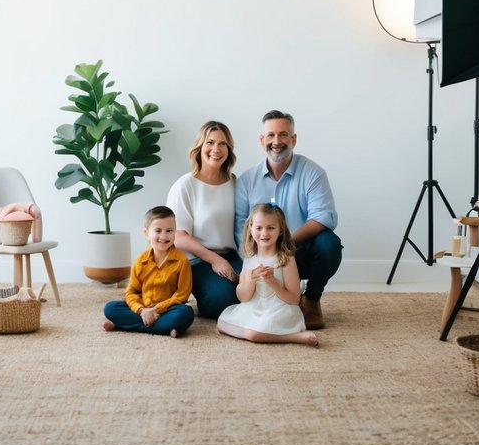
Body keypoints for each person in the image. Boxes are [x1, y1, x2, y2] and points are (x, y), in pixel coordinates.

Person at [235, 110, 341, 330]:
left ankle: (311, 298)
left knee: (329, 243)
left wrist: (286, 242)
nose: (277, 142)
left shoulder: (313, 173)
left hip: (297, 251)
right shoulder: (246, 180)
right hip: (259, 255)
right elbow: (240, 226)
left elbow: (323, 217)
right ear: (262, 140)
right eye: (271, 135)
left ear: (293, 139)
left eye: (283, 135)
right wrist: (249, 265)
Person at [166, 120, 242, 319]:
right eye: (210, 142)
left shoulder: (235, 183)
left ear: (229, 150)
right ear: (199, 147)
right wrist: (216, 260)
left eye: (222, 144)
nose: (216, 149)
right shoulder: (185, 185)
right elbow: (179, 236)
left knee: (259, 290)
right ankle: (196, 294)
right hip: (198, 260)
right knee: (220, 303)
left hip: (232, 256)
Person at [217, 203, 318, 347]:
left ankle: (294, 337)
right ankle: (256, 332)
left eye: (271, 228)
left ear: (281, 229)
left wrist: (273, 282)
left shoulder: (286, 259)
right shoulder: (249, 257)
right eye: (259, 228)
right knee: (221, 323)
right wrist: (251, 280)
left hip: (279, 310)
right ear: (251, 228)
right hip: (255, 308)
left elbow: (294, 299)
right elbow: (243, 297)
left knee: (253, 334)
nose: (264, 233)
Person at [102, 206, 195, 338]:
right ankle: (163, 328)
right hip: (143, 308)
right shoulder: (140, 261)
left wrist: (156, 310)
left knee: (186, 313)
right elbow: (131, 292)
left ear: (175, 232)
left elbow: (182, 295)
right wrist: (142, 311)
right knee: (110, 308)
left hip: (168, 310)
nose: (164, 236)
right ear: (146, 233)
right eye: (158, 231)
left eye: (169, 231)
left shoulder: (182, 261)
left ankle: (123, 325)